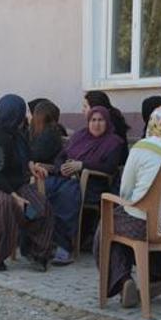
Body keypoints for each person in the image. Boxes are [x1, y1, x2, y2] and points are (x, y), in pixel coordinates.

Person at [95, 104, 161, 308]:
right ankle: (155, 279)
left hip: (149, 226)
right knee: (141, 216)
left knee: (108, 225)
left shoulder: (142, 146)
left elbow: (125, 191)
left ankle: (123, 281)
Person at [0, 94, 55, 272]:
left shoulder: (17, 135)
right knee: (6, 205)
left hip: (16, 183)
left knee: (42, 205)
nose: (26, 115)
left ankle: (38, 253)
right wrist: (15, 197)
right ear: (14, 114)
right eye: (23, 111)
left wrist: (31, 166)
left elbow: (24, 155)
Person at [45, 106, 126, 265]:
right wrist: (62, 167)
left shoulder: (114, 142)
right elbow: (61, 156)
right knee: (43, 189)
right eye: (93, 120)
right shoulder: (80, 136)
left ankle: (64, 246)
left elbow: (110, 167)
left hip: (92, 184)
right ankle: (41, 241)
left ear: (107, 122)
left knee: (67, 194)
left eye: (100, 120)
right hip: (67, 178)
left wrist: (82, 165)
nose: (96, 124)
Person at [83, 91, 130, 156]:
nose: (83, 110)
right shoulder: (113, 116)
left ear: (94, 106)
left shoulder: (109, 122)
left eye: (85, 106)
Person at [28, 99, 65, 165]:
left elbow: (35, 156)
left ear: (39, 116)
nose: (27, 115)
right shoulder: (42, 131)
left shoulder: (49, 135)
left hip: (45, 170)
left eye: (30, 112)